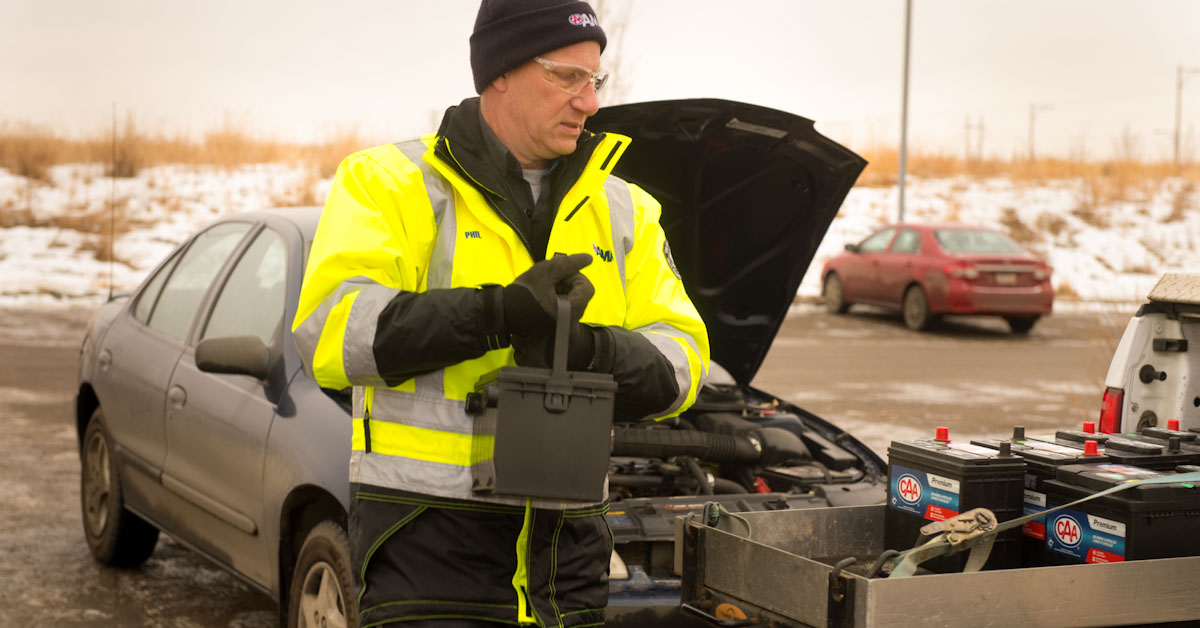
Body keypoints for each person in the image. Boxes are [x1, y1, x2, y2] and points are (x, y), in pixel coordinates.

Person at [292, 1, 709, 625]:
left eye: (594, 80)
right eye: (566, 77)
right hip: (426, 553)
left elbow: (683, 366)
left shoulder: (627, 211)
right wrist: (496, 314)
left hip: (569, 567)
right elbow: (331, 333)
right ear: (500, 73)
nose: (589, 102)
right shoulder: (387, 183)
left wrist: (593, 352)